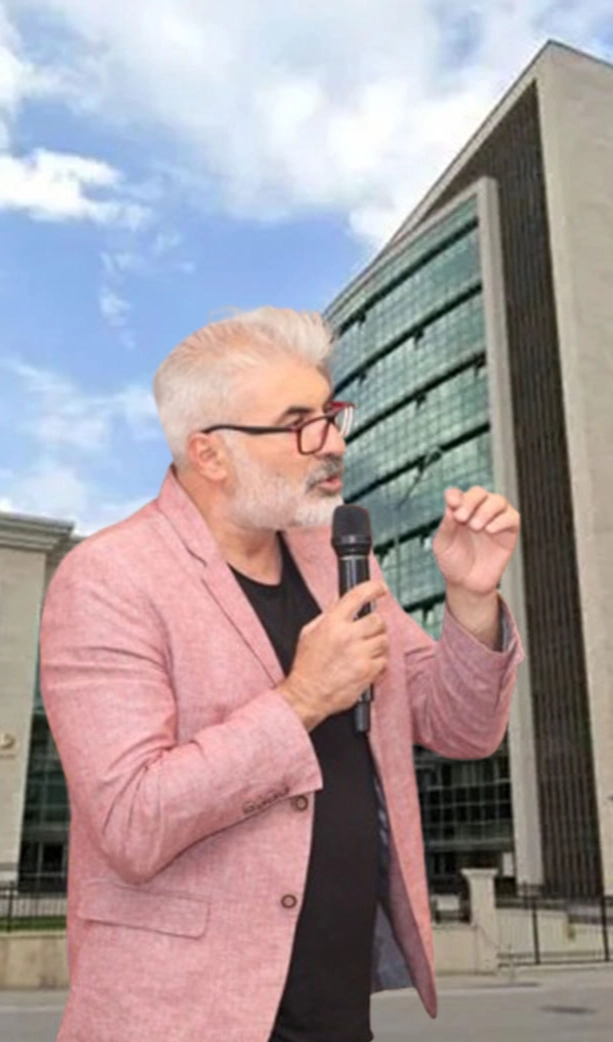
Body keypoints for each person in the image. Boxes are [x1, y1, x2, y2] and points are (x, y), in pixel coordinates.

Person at [38, 307, 526, 1042]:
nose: (332, 442)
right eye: (299, 423)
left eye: (330, 415)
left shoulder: (338, 561)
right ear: (210, 454)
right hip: (185, 1018)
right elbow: (132, 821)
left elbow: (460, 728)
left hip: (336, 1010)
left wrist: (471, 600)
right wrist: (301, 699)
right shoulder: (109, 577)